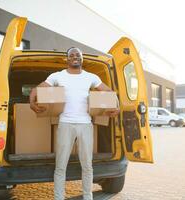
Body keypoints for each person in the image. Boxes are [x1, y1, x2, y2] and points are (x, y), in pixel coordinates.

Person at [29, 47, 119, 200]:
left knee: (87, 166)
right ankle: (59, 198)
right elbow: (37, 89)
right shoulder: (57, 76)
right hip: (66, 124)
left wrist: (117, 106)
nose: (75, 57)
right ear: (67, 59)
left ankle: (87, 197)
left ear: (82, 59)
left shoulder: (91, 77)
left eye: (78, 55)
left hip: (85, 125)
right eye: (72, 55)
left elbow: (109, 91)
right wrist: (31, 102)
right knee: (60, 166)